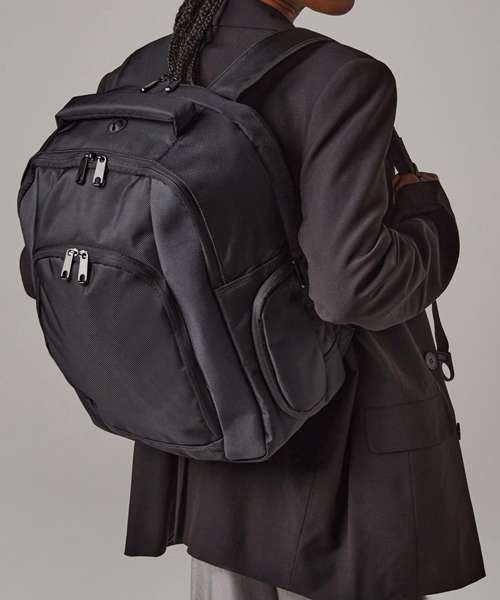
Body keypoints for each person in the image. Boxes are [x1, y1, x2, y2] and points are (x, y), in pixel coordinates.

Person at [98, 1, 485, 598]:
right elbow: (351, 287)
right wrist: (429, 224)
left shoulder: (144, 72)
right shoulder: (342, 78)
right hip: (337, 460)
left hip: (205, 445)